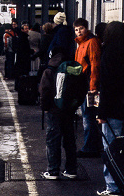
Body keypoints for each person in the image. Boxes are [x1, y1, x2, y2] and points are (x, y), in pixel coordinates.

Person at [96, 21, 124, 196]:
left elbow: (107, 86)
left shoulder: (109, 53)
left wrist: (101, 112)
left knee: (112, 148)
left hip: (113, 109)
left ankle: (113, 186)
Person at [39, 46, 78, 180]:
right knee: (70, 139)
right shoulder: (72, 70)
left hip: (53, 110)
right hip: (68, 109)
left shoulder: (49, 71)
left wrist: (44, 107)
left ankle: (53, 170)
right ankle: (71, 170)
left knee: (53, 139)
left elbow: (45, 91)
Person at [73, 17, 102, 157]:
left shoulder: (91, 42)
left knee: (88, 117)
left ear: (86, 28)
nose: (79, 32)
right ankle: (91, 146)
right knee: (87, 116)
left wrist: (93, 86)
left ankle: (90, 148)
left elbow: (95, 65)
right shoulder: (82, 43)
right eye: (77, 30)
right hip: (83, 85)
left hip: (89, 86)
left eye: (81, 29)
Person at [13, 21, 33, 89]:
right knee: (22, 73)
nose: (27, 30)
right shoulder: (23, 38)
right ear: (22, 30)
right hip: (23, 60)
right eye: (25, 28)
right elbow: (25, 49)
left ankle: (18, 86)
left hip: (20, 59)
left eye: (27, 28)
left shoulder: (22, 37)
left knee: (19, 74)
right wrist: (32, 51)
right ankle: (21, 86)